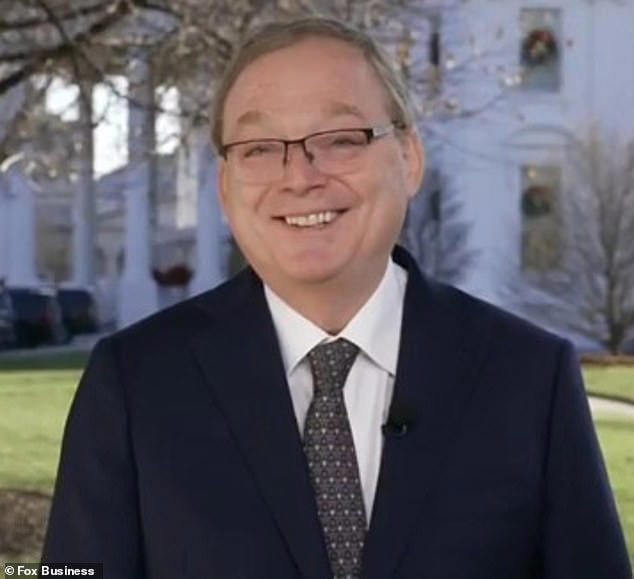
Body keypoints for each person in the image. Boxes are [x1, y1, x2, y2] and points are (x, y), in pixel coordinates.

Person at [42, 16, 631, 579]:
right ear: (224, 186)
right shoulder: (135, 385)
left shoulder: (528, 377)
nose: (300, 176)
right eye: (259, 148)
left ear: (409, 159)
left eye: (342, 139)